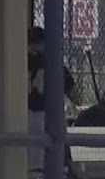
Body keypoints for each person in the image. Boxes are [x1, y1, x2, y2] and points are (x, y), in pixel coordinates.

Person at [27, 26, 75, 168]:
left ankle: (43, 177)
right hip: (36, 110)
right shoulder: (33, 60)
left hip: (44, 111)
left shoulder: (50, 61)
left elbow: (70, 86)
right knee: (40, 152)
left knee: (46, 150)